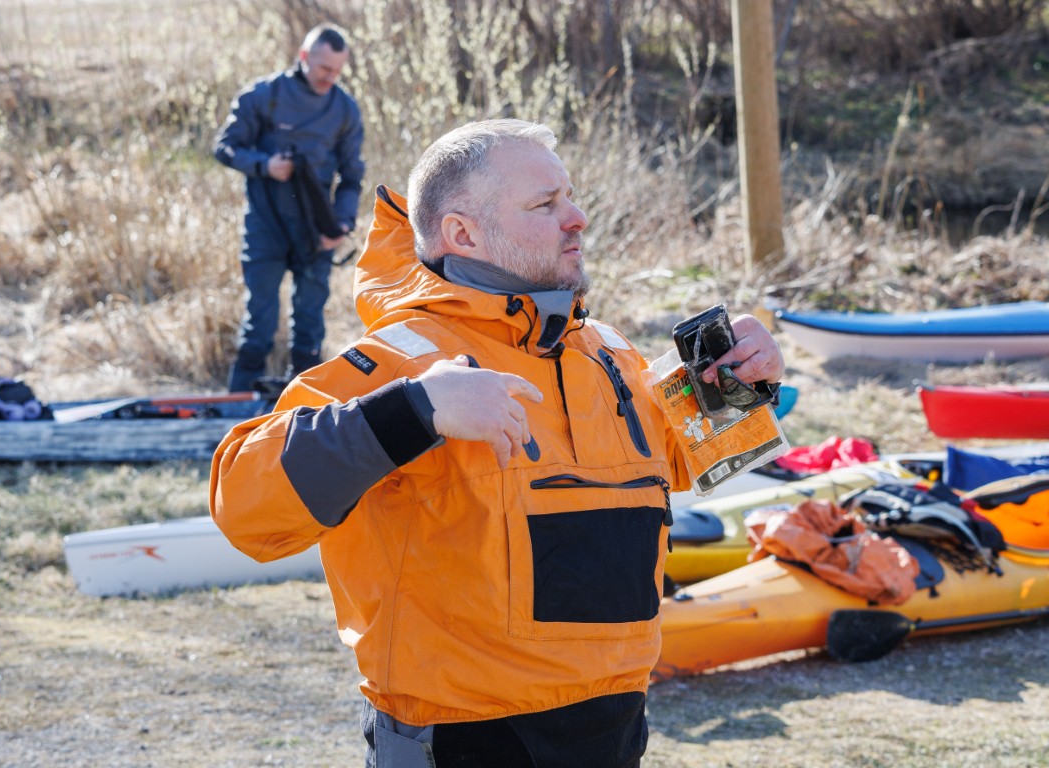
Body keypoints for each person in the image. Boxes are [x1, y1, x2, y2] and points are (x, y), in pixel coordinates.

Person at [210, 119, 784, 767]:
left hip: (617, 727)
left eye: (570, 196)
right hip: (463, 741)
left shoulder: (606, 351)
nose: (578, 218)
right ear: (463, 234)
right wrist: (415, 410)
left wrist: (737, 381)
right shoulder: (401, 361)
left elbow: (671, 463)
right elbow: (243, 504)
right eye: (545, 204)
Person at [213, 23, 366, 392]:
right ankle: (237, 407)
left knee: (310, 325)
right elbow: (225, 147)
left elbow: (352, 177)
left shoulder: (345, 109)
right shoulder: (263, 96)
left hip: (315, 233)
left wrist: (342, 224)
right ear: (304, 57)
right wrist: (265, 165)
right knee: (260, 321)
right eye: (324, 68)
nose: (330, 77)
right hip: (265, 227)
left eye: (338, 71)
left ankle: (304, 405)